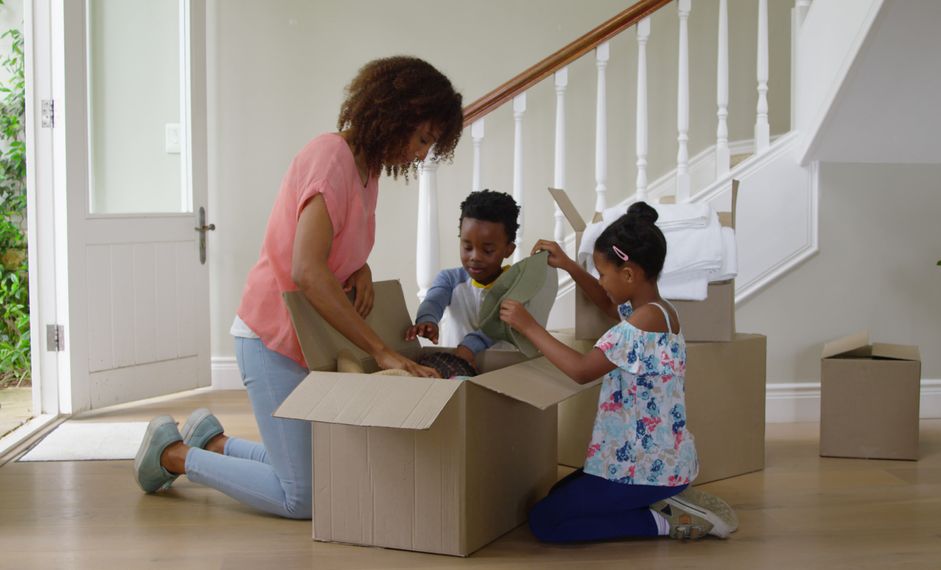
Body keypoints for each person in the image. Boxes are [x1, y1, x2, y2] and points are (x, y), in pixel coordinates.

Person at [132, 56, 464, 519]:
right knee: (303, 497)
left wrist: (362, 269)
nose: (421, 153)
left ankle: (212, 441)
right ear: (396, 114)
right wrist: (382, 352)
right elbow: (307, 271)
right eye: (422, 138)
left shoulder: (367, 173)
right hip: (271, 338)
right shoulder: (330, 158)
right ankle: (174, 455)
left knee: (323, 468)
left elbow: (335, 250)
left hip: (305, 339)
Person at [499, 202, 739, 542]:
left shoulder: (641, 326)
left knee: (545, 521)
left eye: (602, 272)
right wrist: (569, 265)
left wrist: (529, 326)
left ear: (628, 274)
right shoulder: (655, 310)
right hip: (650, 462)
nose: (600, 280)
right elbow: (608, 303)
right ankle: (664, 501)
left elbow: (582, 370)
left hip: (644, 470)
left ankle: (667, 522)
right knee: (558, 494)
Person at [405, 189, 521, 368]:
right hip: (455, 369)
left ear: (509, 250)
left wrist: (469, 347)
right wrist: (427, 320)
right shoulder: (450, 279)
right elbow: (433, 301)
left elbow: (498, 326)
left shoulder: (517, 284)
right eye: (467, 247)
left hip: (502, 372)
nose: (475, 256)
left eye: (487, 250)